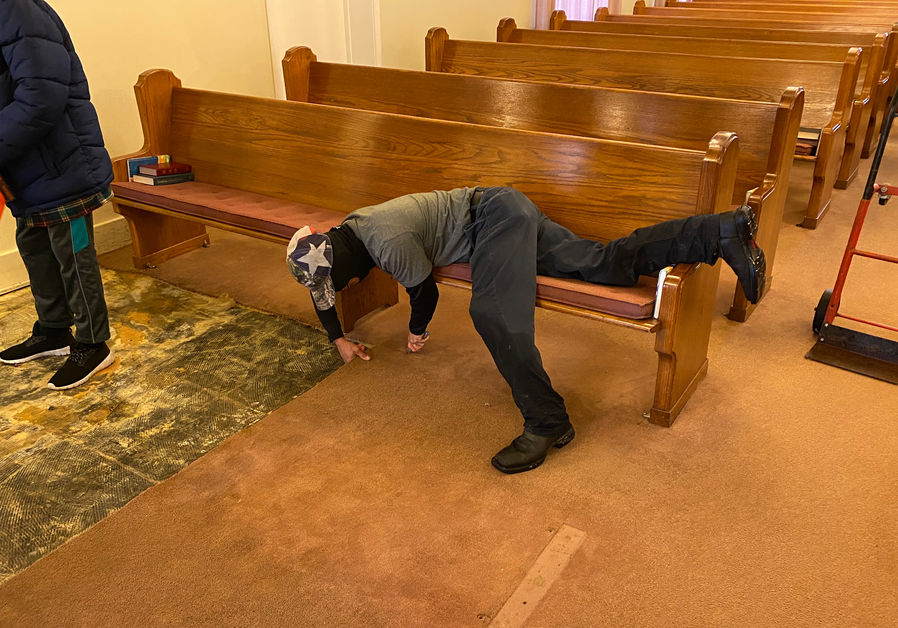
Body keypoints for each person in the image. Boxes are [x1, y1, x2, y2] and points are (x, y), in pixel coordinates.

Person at [287, 186, 765, 474]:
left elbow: (424, 294)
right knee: (601, 263)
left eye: (339, 280)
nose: (343, 287)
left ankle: (547, 421)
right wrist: (338, 337)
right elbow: (320, 289)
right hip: (500, 214)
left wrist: (417, 332)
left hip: (493, 219)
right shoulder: (344, 237)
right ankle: (717, 232)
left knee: (493, 312)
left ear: (339, 259)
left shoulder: (385, 241)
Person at [0, 0, 115, 389]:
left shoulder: (11, 1)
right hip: (26, 164)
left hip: (62, 160)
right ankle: (53, 330)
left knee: (73, 255)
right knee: (35, 247)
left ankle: (93, 343)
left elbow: (41, 95)